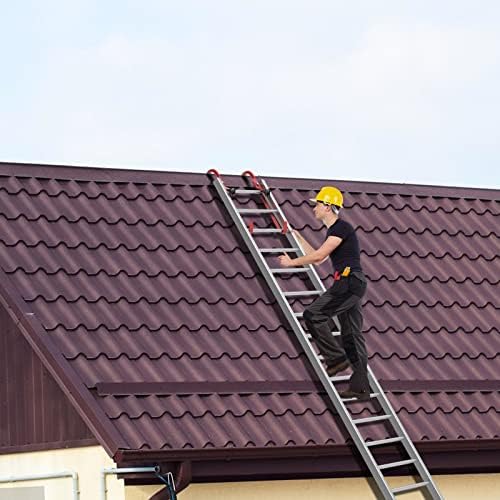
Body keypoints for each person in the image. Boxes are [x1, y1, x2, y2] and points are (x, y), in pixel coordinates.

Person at [278, 186, 370, 400]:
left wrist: (291, 263)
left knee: (313, 315)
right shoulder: (335, 231)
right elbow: (320, 256)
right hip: (351, 284)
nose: (314, 208)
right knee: (351, 335)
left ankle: (336, 359)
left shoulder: (341, 228)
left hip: (348, 283)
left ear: (328, 206)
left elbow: (318, 258)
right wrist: (298, 238)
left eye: (318, 204)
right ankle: (361, 387)